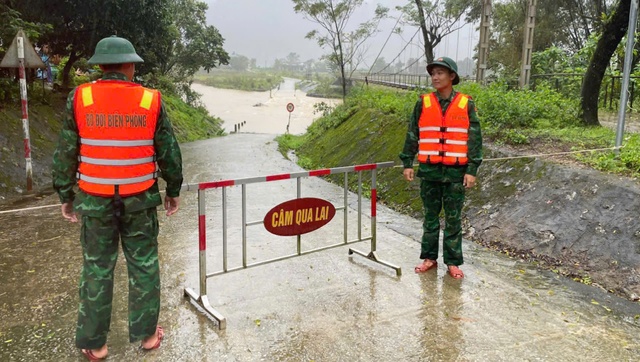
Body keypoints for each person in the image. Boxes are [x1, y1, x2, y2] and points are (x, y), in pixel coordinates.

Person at [52, 35, 183, 360]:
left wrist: (66, 194)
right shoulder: (149, 100)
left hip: (95, 203)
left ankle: (96, 345)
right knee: (144, 266)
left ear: (99, 66)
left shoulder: (81, 98)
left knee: (97, 269)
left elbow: (66, 151)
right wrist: (173, 189)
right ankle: (148, 336)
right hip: (139, 202)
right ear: (130, 66)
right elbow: (168, 150)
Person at [399, 56, 483, 279]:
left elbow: (474, 138)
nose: (435, 77)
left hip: (456, 173)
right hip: (430, 172)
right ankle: (429, 258)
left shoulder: (466, 103)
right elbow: (412, 133)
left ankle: (453, 262)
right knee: (430, 218)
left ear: (452, 76)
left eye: (440, 73)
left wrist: (472, 169)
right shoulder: (423, 102)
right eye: (433, 73)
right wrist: (407, 162)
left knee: (454, 219)